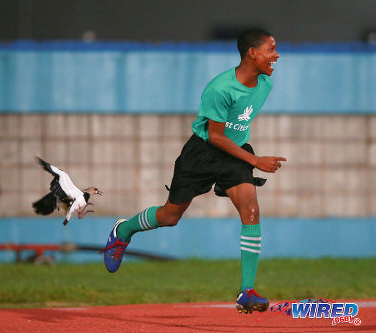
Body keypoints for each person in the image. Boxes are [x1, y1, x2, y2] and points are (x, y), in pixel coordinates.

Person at [101, 28, 286, 314]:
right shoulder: (220, 88)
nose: (276, 55)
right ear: (252, 53)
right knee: (170, 216)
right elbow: (214, 136)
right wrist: (255, 161)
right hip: (202, 153)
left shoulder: (265, 84)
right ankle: (123, 229)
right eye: (271, 49)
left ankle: (246, 292)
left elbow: (234, 131)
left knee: (251, 211)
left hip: (234, 154)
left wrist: (244, 163)